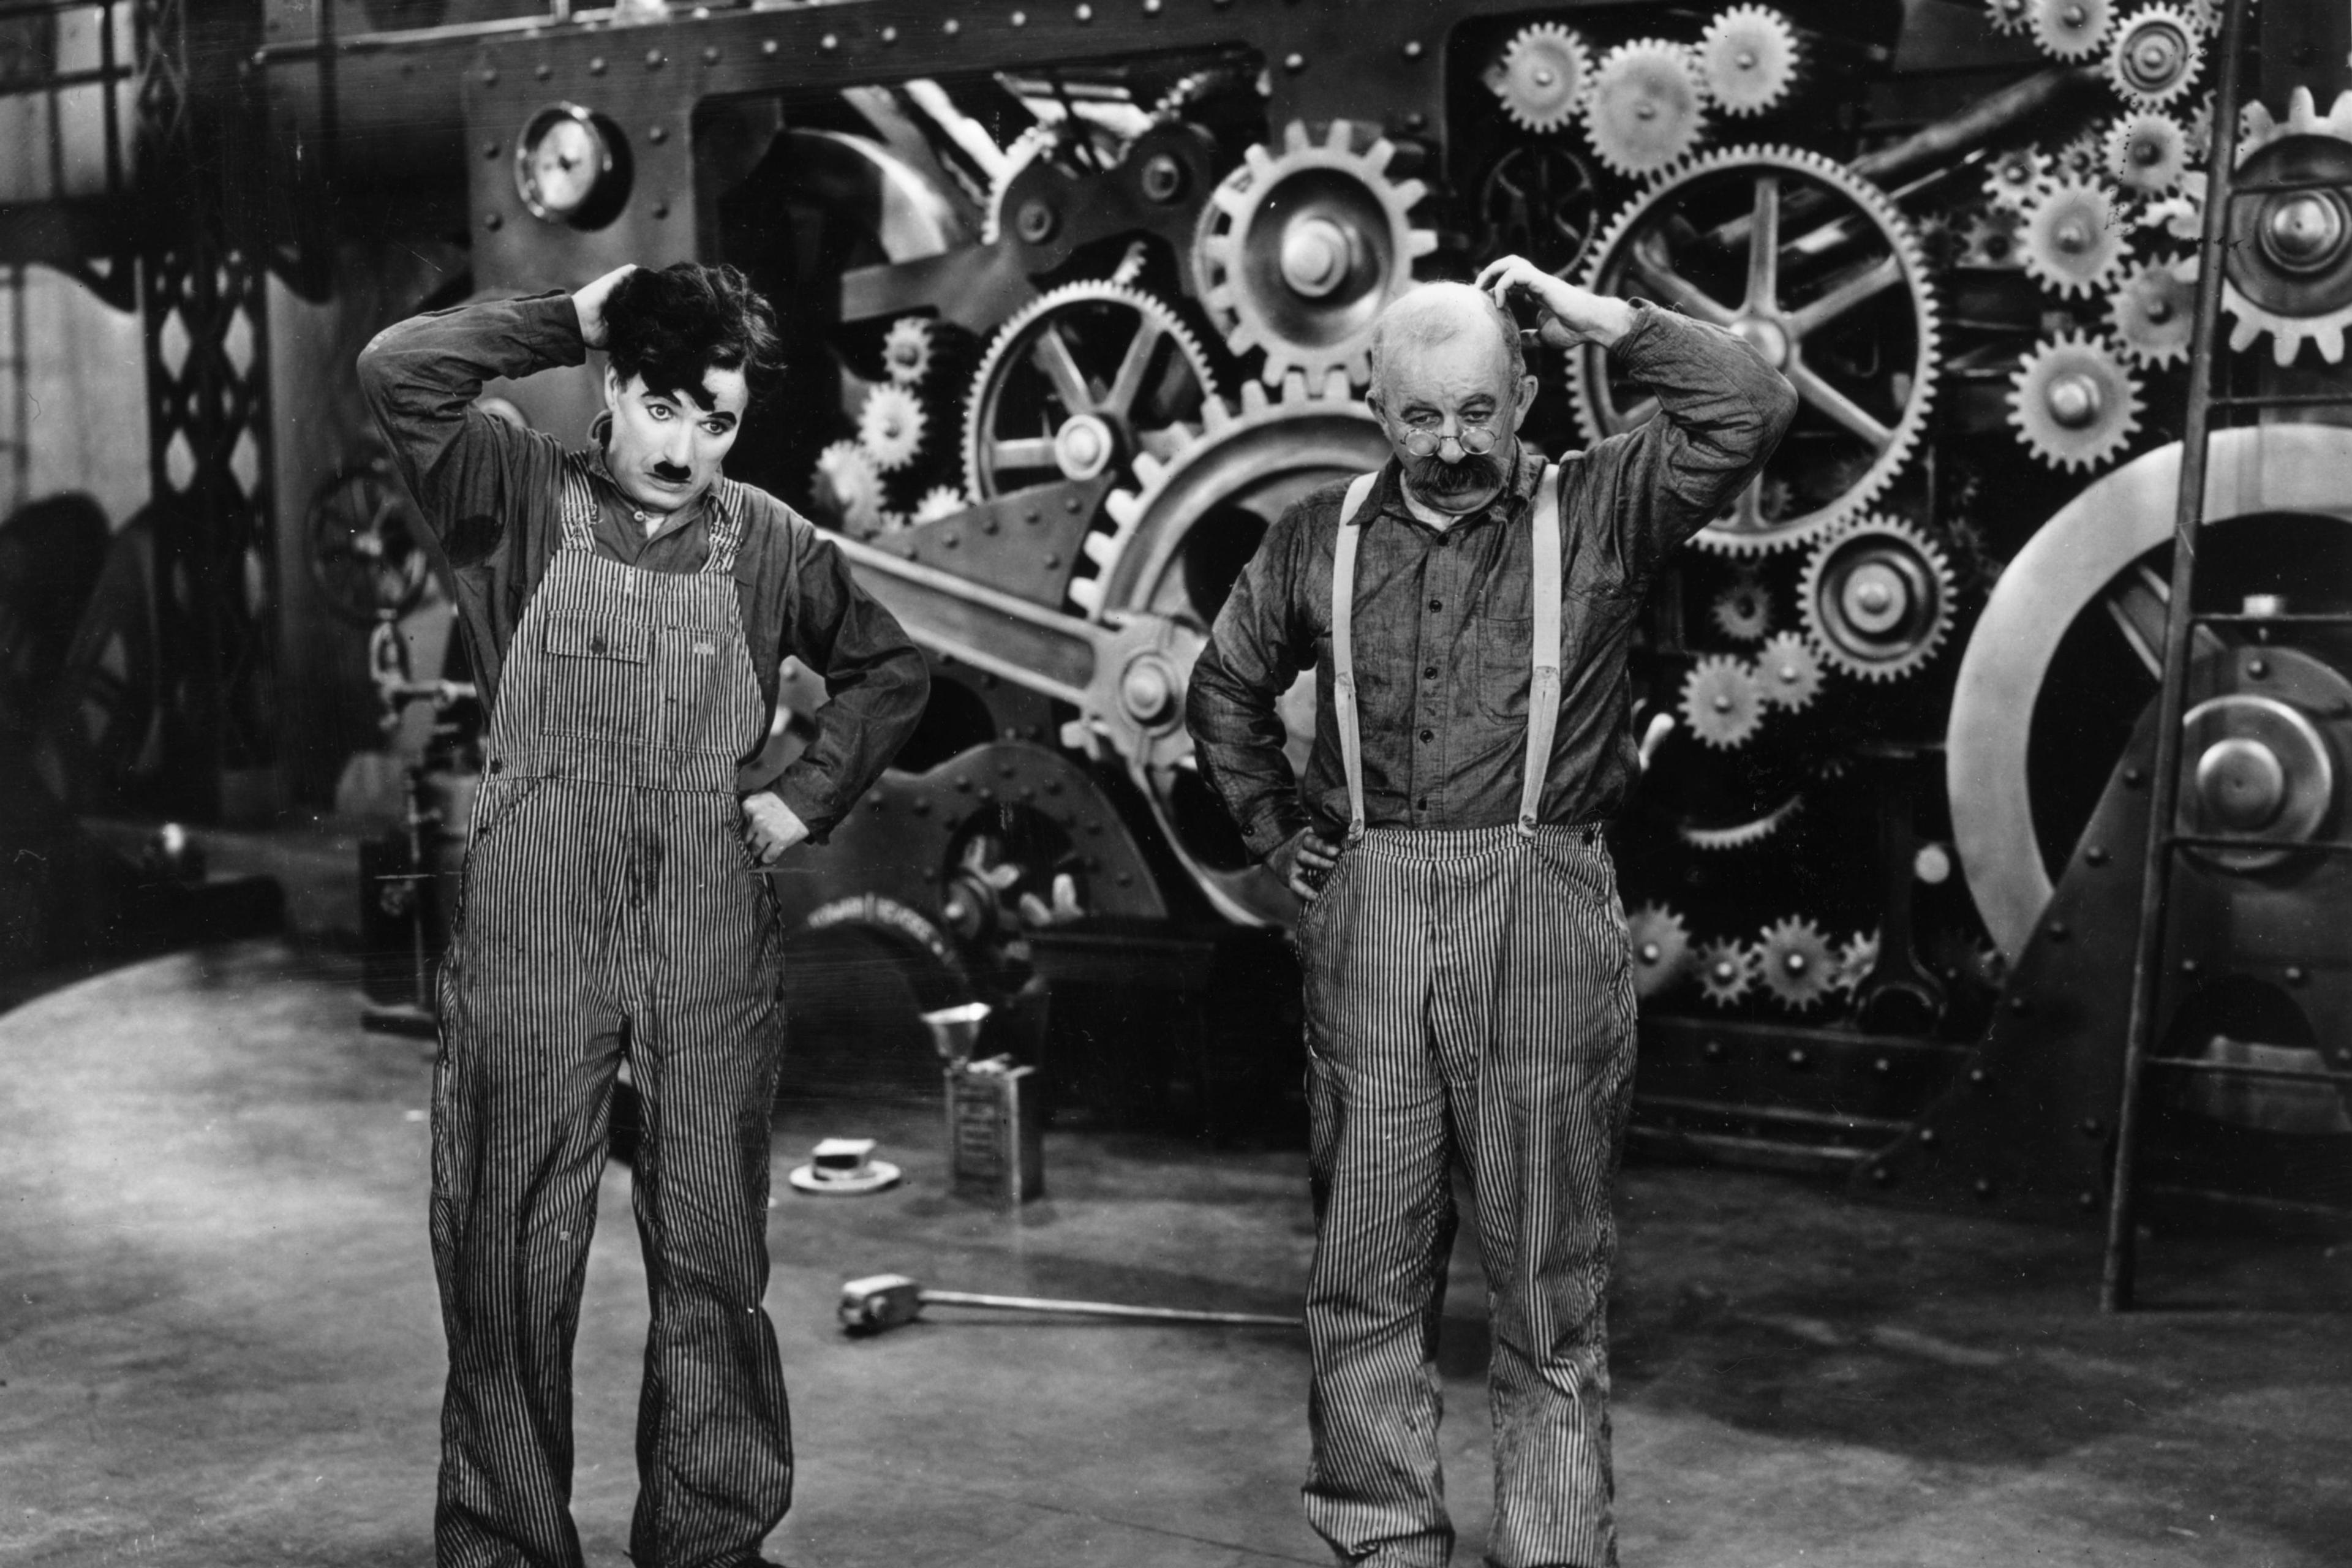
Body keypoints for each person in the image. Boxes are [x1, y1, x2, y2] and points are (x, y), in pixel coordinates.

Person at [1185, 258, 1796, 1568]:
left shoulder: (1605, 508)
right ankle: (1382, 1539)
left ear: (1524, 393)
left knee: (1547, 1282)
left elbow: (1747, 410)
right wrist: (1279, 834)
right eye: (1420, 417)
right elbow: (1225, 685)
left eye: (1479, 412)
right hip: (1373, 923)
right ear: (1374, 403)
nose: (1453, 446)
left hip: (1543, 912)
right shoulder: (1315, 537)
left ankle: (1554, 1547)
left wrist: (1607, 322)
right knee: (1364, 1270)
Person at [359, 262, 930, 1568]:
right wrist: (570, 314)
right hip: (533, 922)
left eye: (716, 418)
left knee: (714, 1247)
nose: (684, 446)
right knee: (504, 1240)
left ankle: (710, 1534)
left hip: (704, 921)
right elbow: (400, 368)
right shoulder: (508, 492)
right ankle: (504, 1540)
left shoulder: (774, 543)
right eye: (663, 405)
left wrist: (803, 795)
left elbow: (889, 669)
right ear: (614, 387)